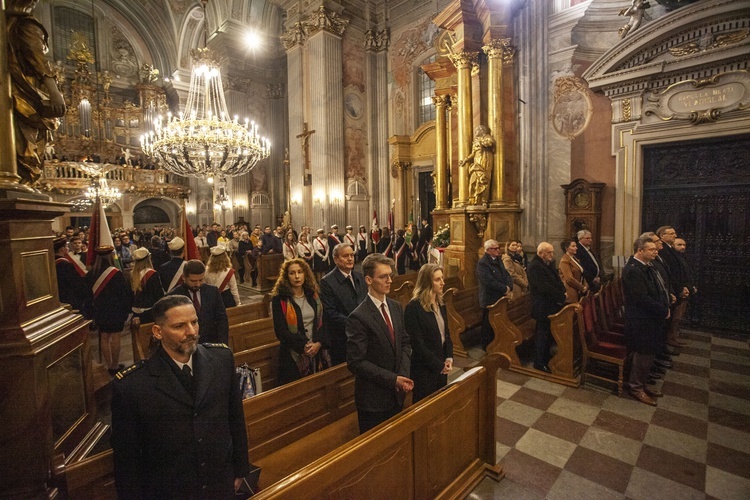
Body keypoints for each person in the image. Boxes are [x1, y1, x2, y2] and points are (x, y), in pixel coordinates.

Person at [111, 295, 250, 499]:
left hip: (219, 482)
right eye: (179, 326)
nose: (191, 332)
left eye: (194, 322)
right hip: (170, 489)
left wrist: (240, 470)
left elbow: (235, 419)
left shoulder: (221, 360)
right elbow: (127, 460)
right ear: (158, 332)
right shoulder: (133, 385)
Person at [346, 253, 413, 434]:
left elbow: (405, 343)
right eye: (383, 277)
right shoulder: (359, 316)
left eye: (390, 275)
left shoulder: (396, 307)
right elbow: (355, 362)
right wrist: (393, 379)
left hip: (397, 394)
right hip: (373, 399)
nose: (389, 280)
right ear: (368, 279)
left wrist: (403, 375)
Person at [7, 0, 66, 187]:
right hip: (25, 92)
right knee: (27, 148)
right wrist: (54, 92)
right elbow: (38, 60)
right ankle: (25, 180)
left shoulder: (10, 23)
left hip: (18, 90)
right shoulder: (26, 25)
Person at [622, 237, 670, 406]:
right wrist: (663, 310)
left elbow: (655, 290)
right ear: (640, 251)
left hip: (649, 317)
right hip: (641, 319)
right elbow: (641, 298)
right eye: (651, 249)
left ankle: (641, 383)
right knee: (643, 353)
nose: (655, 251)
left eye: (655, 249)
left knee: (647, 354)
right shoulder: (634, 270)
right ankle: (636, 388)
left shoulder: (646, 267)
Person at [270, 258, 328, 385]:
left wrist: (318, 343)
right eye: (292, 273)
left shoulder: (314, 295)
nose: (297, 276)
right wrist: (304, 346)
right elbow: (281, 331)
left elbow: (324, 322)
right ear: (286, 276)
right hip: (293, 355)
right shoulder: (280, 300)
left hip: (317, 351)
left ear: (305, 274)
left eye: (300, 272)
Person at [404, 264, 453, 403]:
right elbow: (417, 344)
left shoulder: (440, 303)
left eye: (442, 278)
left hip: (441, 364)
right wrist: (439, 365)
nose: (442, 282)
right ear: (427, 282)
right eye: (438, 279)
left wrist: (449, 357)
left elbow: (446, 334)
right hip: (424, 369)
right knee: (424, 406)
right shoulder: (413, 308)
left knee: (439, 404)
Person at [87, 245, 132, 375]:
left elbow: (88, 293)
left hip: (100, 309)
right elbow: (123, 292)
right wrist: (127, 309)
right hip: (115, 309)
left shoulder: (92, 273)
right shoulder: (116, 273)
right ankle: (114, 364)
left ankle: (108, 364)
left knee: (104, 336)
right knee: (115, 336)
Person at [320, 243, 368, 365]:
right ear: (336, 259)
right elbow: (330, 312)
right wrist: (354, 323)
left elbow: (367, 301)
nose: (350, 258)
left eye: (352, 255)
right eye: (345, 256)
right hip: (342, 337)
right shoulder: (327, 282)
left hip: (363, 334)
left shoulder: (359, 277)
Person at [167, 260, 229, 345]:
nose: (198, 284)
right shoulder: (174, 296)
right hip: (187, 344)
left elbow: (222, 319)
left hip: (212, 342)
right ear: (184, 277)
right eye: (193, 281)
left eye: (201, 280)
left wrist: (222, 344)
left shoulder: (212, 291)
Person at [527, 242, 567, 373]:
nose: (552, 255)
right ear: (541, 253)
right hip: (541, 305)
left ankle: (545, 356)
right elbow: (543, 287)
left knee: (548, 333)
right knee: (542, 334)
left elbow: (557, 280)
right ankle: (539, 361)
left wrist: (563, 292)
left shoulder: (548, 264)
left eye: (552, 252)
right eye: (549, 252)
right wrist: (561, 296)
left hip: (550, 304)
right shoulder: (534, 267)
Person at [476, 239, 513, 348]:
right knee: (488, 322)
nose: (498, 250)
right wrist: (504, 288)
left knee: (497, 321)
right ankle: (486, 345)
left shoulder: (498, 259)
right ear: (488, 250)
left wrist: (509, 286)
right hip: (489, 297)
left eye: (498, 248)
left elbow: (506, 274)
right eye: (495, 248)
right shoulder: (483, 263)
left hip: (499, 296)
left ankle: (496, 343)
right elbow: (488, 281)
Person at [54, 236, 91, 317]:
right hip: (71, 297)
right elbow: (75, 283)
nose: (68, 248)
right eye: (66, 246)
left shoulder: (52, 262)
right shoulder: (65, 264)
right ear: (61, 249)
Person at [130, 247, 164, 325]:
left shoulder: (131, 275)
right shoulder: (152, 274)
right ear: (148, 259)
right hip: (150, 311)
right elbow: (158, 294)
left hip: (135, 311)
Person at [558, 239, 589, 304]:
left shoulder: (574, 258)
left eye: (576, 246)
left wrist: (585, 285)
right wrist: (582, 287)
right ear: (567, 248)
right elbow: (569, 279)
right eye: (573, 246)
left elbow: (582, 273)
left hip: (578, 289)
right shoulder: (565, 261)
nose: (576, 248)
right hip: (571, 291)